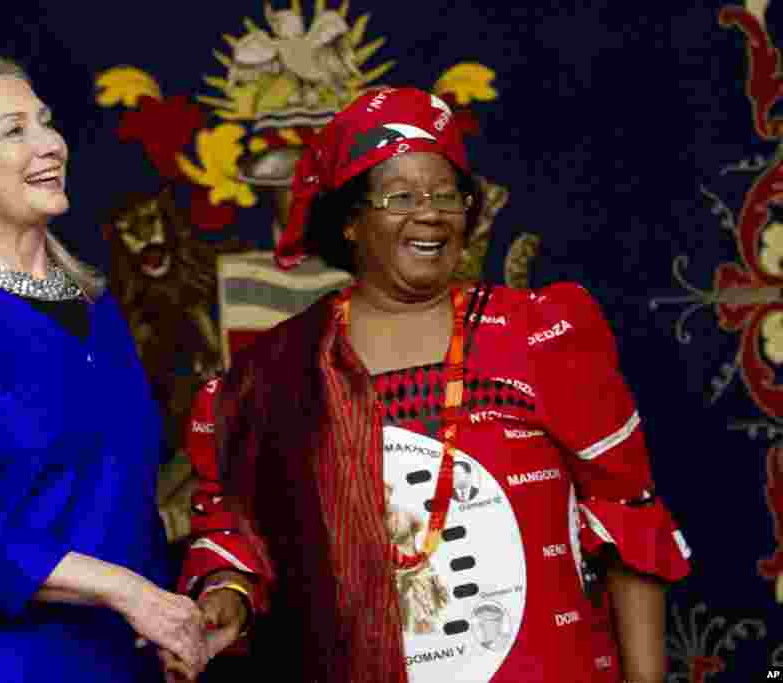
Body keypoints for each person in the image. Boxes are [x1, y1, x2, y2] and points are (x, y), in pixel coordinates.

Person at [166, 87, 691, 683]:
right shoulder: (273, 375)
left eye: (447, 195)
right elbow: (237, 531)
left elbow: (627, 514)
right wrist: (227, 593)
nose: (431, 213)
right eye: (401, 196)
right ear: (351, 222)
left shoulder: (538, 336)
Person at [0, 54, 209, 683]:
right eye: (14, 130)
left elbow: (121, 495)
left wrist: (160, 612)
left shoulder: (97, 307)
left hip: (110, 657)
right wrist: (129, 593)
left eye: (46, 123)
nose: (50, 143)